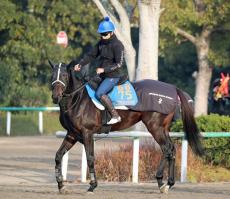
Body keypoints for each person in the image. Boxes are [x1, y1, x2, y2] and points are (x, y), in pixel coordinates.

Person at [74, 16, 128, 125]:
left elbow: (119, 64)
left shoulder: (118, 45)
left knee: (99, 93)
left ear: (111, 32)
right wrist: (80, 64)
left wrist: (104, 69)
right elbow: (91, 55)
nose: (102, 37)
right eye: (101, 34)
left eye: (104, 34)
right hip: (103, 76)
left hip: (114, 76)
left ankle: (115, 115)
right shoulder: (101, 43)